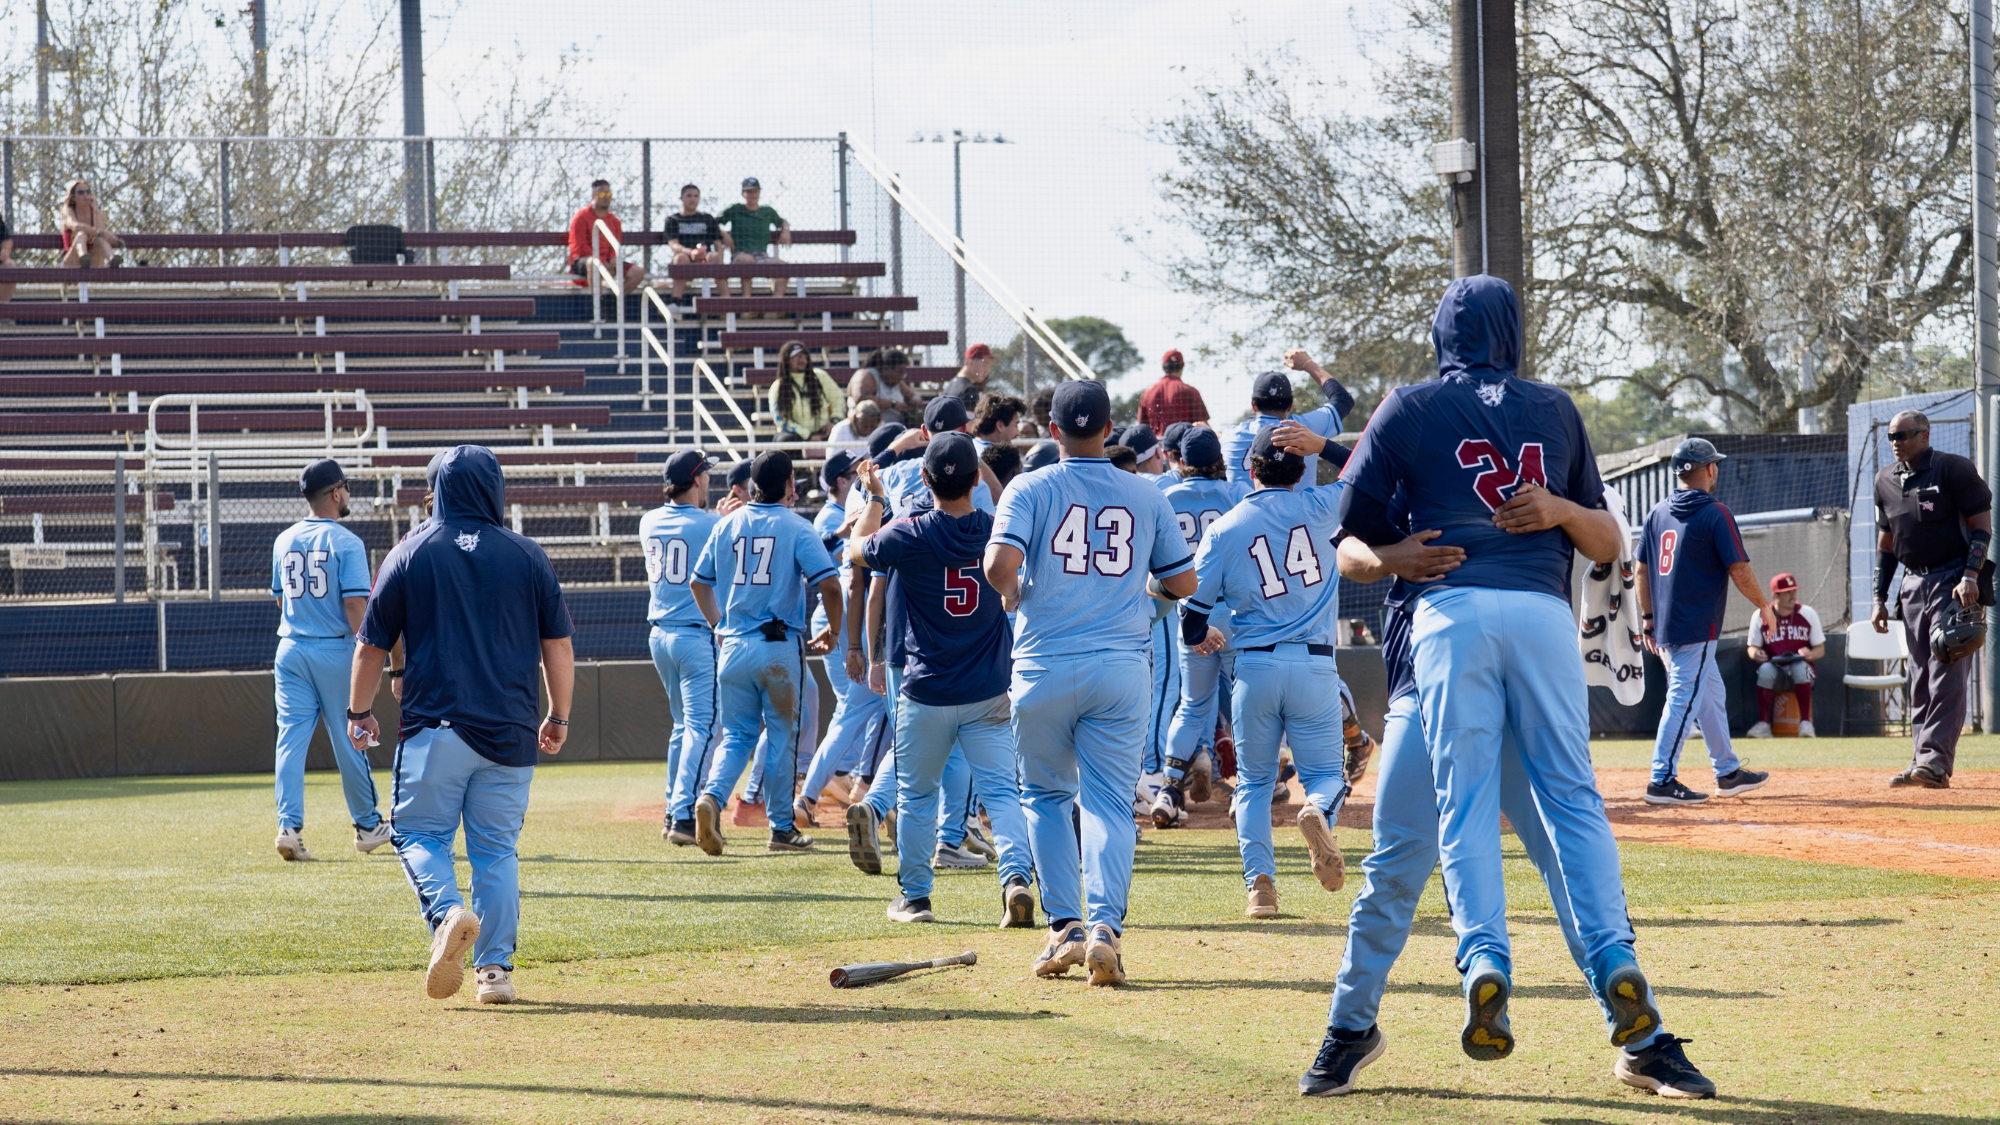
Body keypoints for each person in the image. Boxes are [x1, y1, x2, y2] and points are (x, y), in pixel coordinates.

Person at [1326, 275, 1714, 1098]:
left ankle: (1621, 1026)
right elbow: (1607, 540)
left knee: (1427, 852)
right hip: (1483, 653)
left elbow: (1347, 542)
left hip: (1443, 649)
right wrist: (1549, 514)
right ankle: (1353, 1025)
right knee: (1541, 829)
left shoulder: (1413, 416)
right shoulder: (1540, 411)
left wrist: (1403, 554)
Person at [1304, 515, 1621, 1098]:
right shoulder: (1411, 506)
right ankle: (1350, 1028)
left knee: (1563, 854)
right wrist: (1392, 554)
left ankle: (1637, 1031)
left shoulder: (1512, 489)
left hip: (1513, 701)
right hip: (1425, 703)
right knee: (1398, 866)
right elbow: (1350, 543)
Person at [983, 378, 1198, 986]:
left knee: (1047, 798)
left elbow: (1000, 566)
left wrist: (1014, 595)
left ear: (1052, 431)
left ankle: (1066, 930)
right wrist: (1145, 589)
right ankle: (1106, 929)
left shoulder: (1029, 485)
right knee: (1107, 803)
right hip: (1120, 666)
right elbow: (1183, 584)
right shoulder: (1146, 492)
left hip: (1043, 662)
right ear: (1109, 429)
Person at [348, 445, 576, 1006]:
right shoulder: (528, 555)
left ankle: (449, 912)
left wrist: (358, 712)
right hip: (511, 732)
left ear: (438, 490)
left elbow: (371, 647)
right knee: (496, 851)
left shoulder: (409, 552)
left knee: (417, 834)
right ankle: (494, 974)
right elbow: (559, 646)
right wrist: (558, 714)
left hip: (436, 728)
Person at [851, 434, 1036, 926]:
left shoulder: (906, 533)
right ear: (976, 479)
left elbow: (856, 550)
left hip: (925, 689)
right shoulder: (1000, 530)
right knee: (1002, 793)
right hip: (988, 688)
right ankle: (1016, 878)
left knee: (916, 795)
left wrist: (873, 497)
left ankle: (916, 899)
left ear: (926, 479)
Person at [1179, 428, 1353, 918]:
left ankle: (1261, 888)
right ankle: (1318, 810)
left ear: (1249, 470)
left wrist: (1202, 636)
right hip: (1315, 664)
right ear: (1300, 471)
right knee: (1323, 777)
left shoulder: (1226, 527)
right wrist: (1322, 445)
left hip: (1252, 665)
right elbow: (1367, 468)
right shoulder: (1322, 506)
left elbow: (1194, 615)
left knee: (1253, 783)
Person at [688, 451, 842, 854]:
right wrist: (836, 629)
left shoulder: (728, 524)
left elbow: (698, 584)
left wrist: (719, 627)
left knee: (737, 736)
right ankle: (781, 828)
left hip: (734, 644)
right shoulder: (796, 525)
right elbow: (830, 585)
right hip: (777, 647)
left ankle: (712, 798)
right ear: (790, 484)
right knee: (781, 736)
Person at [1633, 438, 1776, 805]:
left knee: (1711, 696)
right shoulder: (1715, 512)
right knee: (1683, 698)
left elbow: (1641, 569)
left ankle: (1727, 772)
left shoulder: (1657, 512)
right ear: (1710, 469)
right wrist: (1764, 605)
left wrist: (1648, 619)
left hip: (1665, 626)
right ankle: (1661, 779)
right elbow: (1739, 569)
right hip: (1696, 626)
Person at [268, 459, 391, 862]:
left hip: (290, 648)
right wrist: (371, 652)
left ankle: (288, 827)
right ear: (336, 492)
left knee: (289, 740)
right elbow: (356, 604)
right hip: (335, 650)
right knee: (351, 736)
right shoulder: (347, 542)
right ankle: (368, 825)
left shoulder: (283, 540)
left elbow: (283, 599)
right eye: (346, 488)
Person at [1871, 410, 1993, 788]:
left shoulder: (1952, 469)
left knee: (1947, 666)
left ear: (1925, 434)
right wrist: (1879, 597)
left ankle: (1936, 761)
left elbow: (1982, 528)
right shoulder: (1884, 480)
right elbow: (1886, 545)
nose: (1896, 442)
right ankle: (1921, 760)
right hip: (1912, 584)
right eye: (1892, 436)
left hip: (1952, 580)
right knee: (1920, 675)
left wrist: (1970, 576)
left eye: (1904, 434)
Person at [1150, 428, 1248, 826]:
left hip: (1191, 614)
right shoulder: (1236, 493)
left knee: (1191, 706)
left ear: (1180, 460)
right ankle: (1248, 791)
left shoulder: (1164, 494)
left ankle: (1169, 791)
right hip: (1237, 613)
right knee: (1243, 701)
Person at [796, 452, 888, 823]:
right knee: (872, 710)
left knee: (854, 712)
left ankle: (820, 792)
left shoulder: (858, 505)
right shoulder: (842, 512)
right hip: (856, 618)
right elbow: (847, 576)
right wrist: (849, 642)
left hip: (855, 619)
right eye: (852, 473)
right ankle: (866, 788)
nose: (858, 477)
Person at [641, 450, 722, 846]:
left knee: (682, 727)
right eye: (706, 473)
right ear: (696, 479)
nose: (709, 480)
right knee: (702, 727)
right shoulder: (711, 524)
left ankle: (673, 809)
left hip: (659, 636)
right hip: (694, 635)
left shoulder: (648, 520)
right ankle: (684, 815)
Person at [1223, 350, 1354, 486]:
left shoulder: (1230, 437)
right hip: (1300, 506)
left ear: (1253, 406)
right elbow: (1343, 400)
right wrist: (1308, 364)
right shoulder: (1303, 429)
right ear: (1290, 405)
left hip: (1242, 507)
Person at [1747, 572, 1824, 739]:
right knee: (1765, 669)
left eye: (1794, 591)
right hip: (1775, 668)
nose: (1793, 595)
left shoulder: (1807, 613)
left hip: (1804, 670)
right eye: (1788, 592)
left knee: (1800, 667)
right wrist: (1756, 654)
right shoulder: (1761, 615)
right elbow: (1751, 647)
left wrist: (1810, 654)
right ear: (1776, 595)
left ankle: (1805, 724)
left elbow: (1820, 649)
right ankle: (1764, 724)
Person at [566, 179, 646, 295]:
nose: (606, 197)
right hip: (585, 261)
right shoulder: (581, 217)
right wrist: (602, 262)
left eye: (609, 194)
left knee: (637, 273)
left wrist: (613, 260)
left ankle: (615, 302)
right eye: (602, 194)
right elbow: (580, 247)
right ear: (593, 196)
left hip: (608, 262)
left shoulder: (614, 221)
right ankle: (599, 304)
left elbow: (615, 246)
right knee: (594, 264)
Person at [718, 176, 791, 297]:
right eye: (749, 192)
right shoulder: (735, 209)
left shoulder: (767, 211)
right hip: (740, 255)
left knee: (783, 267)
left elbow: (782, 222)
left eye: (755, 191)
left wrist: (786, 230)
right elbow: (712, 222)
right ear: (743, 194)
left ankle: (775, 307)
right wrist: (724, 233)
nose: (753, 195)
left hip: (761, 256)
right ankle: (747, 304)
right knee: (747, 261)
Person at [767, 340, 847, 441]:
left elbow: (838, 400)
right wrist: (808, 436)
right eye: (796, 356)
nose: (802, 359)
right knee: (784, 440)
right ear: (787, 360)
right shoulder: (778, 386)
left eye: (804, 356)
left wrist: (834, 422)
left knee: (842, 433)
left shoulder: (820, 377)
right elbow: (780, 420)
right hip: (796, 434)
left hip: (824, 431)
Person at [662, 183, 722, 300]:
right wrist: (691, 252)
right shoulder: (673, 220)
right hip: (686, 259)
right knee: (680, 258)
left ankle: (726, 303)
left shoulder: (707, 218)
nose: (692, 199)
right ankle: (676, 302)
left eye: (695, 196)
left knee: (714, 256)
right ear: (682, 198)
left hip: (705, 260)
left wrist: (720, 259)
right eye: (689, 196)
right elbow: (674, 244)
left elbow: (718, 244)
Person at [1140, 349, 1209, 432]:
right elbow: (1202, 426)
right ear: (1182, 366)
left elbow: (1142, 428)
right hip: (1183, 443)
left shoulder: (1147, 393)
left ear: (1163, 366)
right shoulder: (1191, 392)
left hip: (1156, 444)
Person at [59, 179, 123, 268]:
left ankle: (112, 259)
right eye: (81, 193)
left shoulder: (96, 213)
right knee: (81, 234)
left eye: (88, 192)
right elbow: (75, 226)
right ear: (73, 197)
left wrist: (95, 210)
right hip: (72, 263)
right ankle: (83, 257)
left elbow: (100, 233)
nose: (86, 195)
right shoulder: (68, 210)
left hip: (94, 261)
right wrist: (99, 232)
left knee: (99, 239)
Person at [848, 348, 915, 428]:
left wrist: (915, 399)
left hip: (895, 426)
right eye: (899, 372)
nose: (901, 377)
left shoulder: (897, 382)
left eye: (903, 373)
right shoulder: (865, 375)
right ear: (886, 368)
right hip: (865, 429)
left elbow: (910, 395)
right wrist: (892, 404)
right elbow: (862, 399)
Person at [940, 344, 993, 412]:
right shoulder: (969, 390)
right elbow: (970, 422)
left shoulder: (950, 386)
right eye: (984, 365)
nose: (987, 371)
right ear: (970, 362)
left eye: (990, 366)